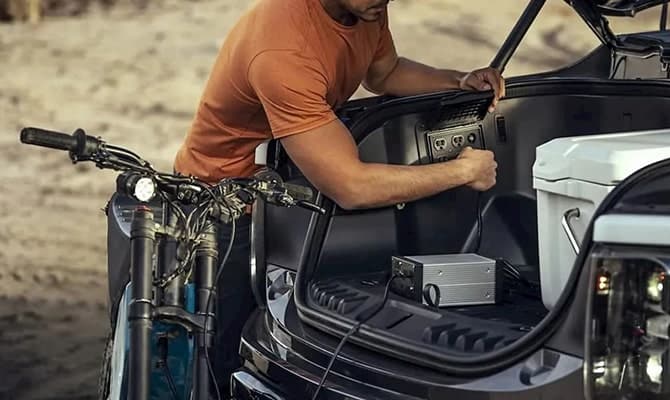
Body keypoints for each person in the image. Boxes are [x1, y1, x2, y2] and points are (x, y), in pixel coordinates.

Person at [172, 0, 505, 393]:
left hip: (286, 191)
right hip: (225, 205)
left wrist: (458, 80)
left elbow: (386, 73)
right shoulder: (282, 50)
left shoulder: (366, 8)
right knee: (225, 361)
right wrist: (462, 172)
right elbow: (352, 187)